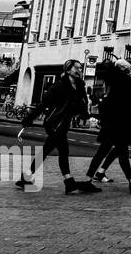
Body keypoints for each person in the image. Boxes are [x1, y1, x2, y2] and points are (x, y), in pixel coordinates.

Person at [15, 59, 100, 194]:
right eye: (76, 68)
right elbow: (44, 104)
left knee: (46, 150)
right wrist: (29, 118)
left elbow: (80, 104)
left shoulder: (79, 86)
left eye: (80, 68)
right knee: (64, 151)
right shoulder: (59, 86)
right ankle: (69, 182)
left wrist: (85, 114)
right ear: (68, 70)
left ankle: (25, 177)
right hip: (54, 123)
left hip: (64, 123)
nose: (79, 70)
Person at [84, 56, 131, 193]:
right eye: (129, 68)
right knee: (122, 153)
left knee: (106, 152)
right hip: (119, 123)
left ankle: (89, 179)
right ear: (126, 69)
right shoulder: (126, 81)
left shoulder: (114, 80)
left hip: (111, 122)